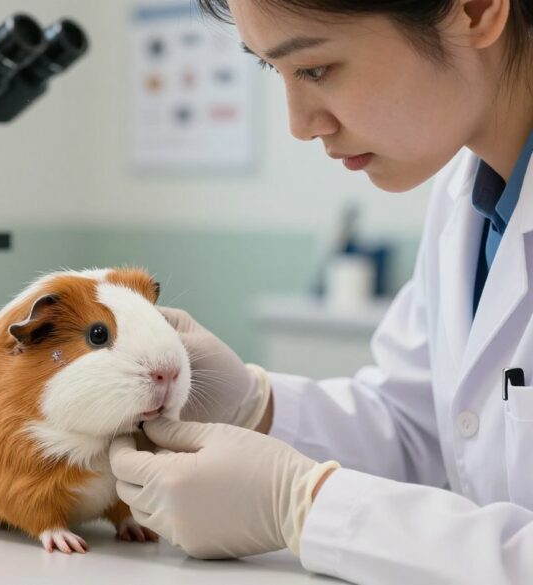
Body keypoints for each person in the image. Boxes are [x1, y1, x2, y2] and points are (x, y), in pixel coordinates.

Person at [109, 1, 533, 583]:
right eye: (271, 71)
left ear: (476, 10)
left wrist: (305, 505)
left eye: (314, 69)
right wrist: (253, 407)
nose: (301, 124)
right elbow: (418, 427)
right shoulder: (470, 197)